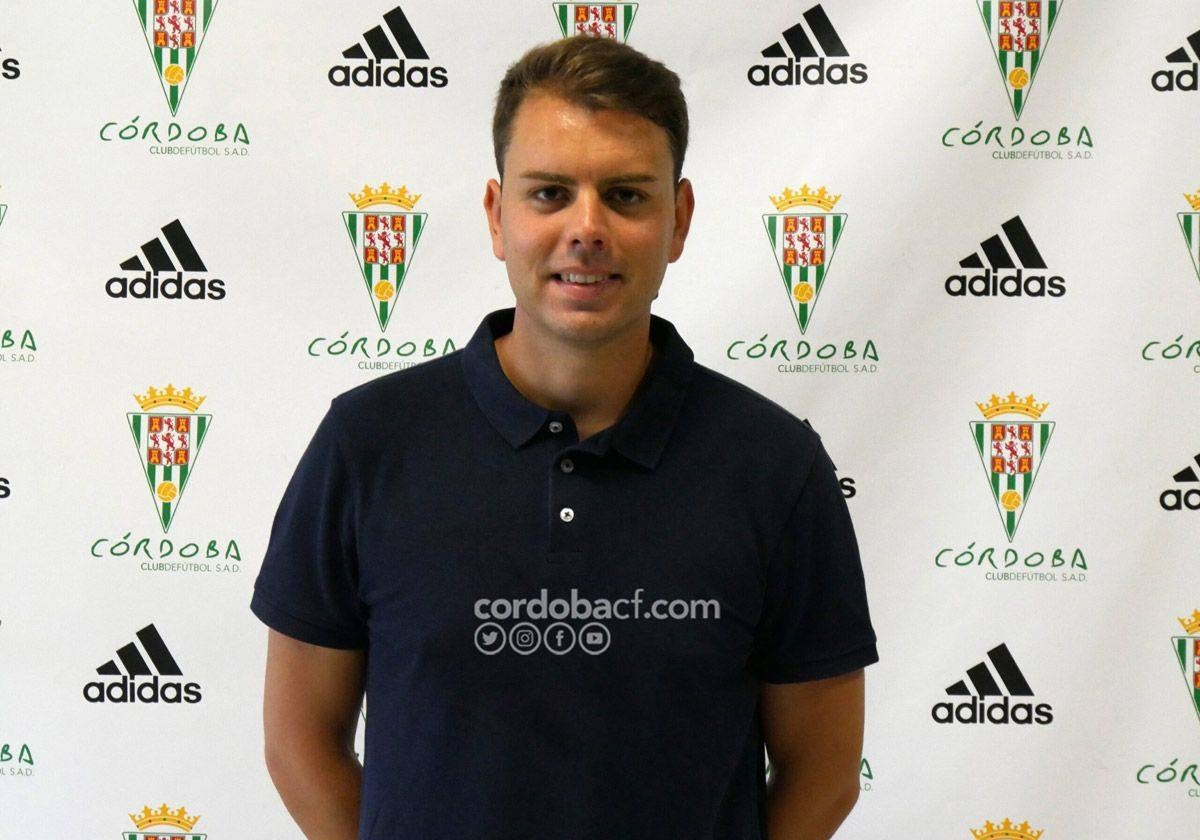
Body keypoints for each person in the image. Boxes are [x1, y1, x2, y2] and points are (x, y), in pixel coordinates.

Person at [253, 35, 877, 840]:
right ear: (496, 214)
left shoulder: (774, 466)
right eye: (550, 193)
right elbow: (297, 742)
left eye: (625, 195)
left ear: (678, 220)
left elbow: (824, 773)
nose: (587, 228)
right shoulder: (368, 443)